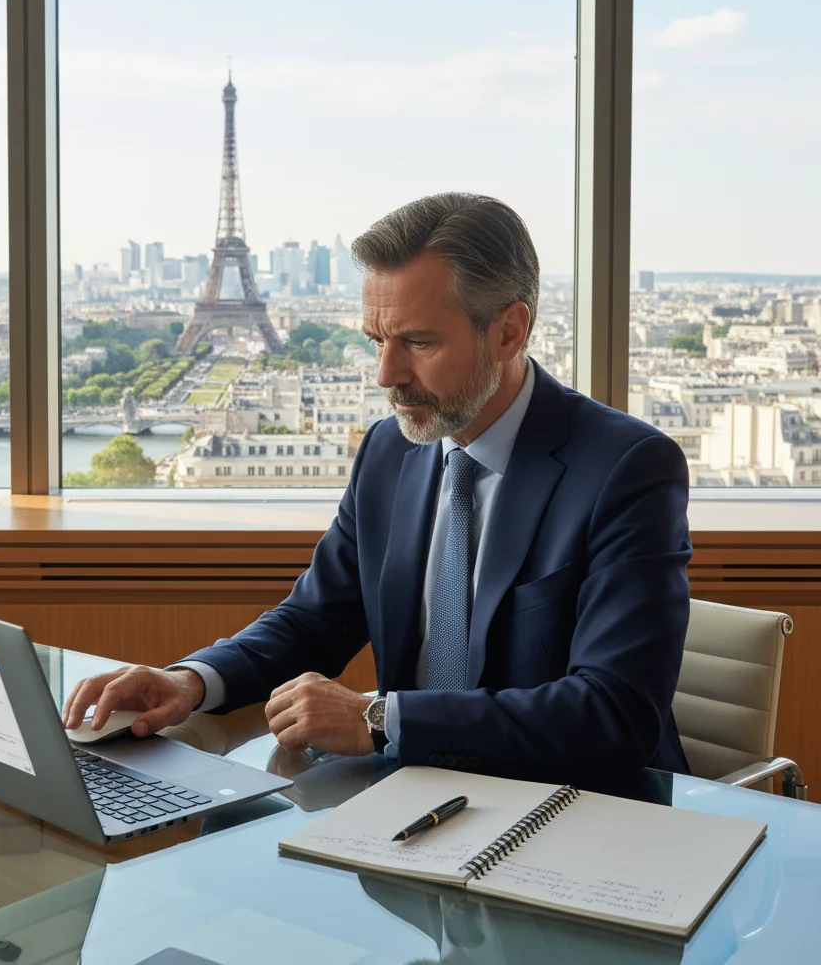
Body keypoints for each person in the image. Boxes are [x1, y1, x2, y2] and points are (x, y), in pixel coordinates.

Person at [62, 193, 692, 782]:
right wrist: (193, 682)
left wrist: (379, 719)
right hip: (411, 803)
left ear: (508, 331)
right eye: (377, 341)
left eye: (418, 342)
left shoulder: (627, 469)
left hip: (582, 816)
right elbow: (315, 620)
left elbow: (615, 713)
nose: (387, 374)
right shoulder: (391, 451)